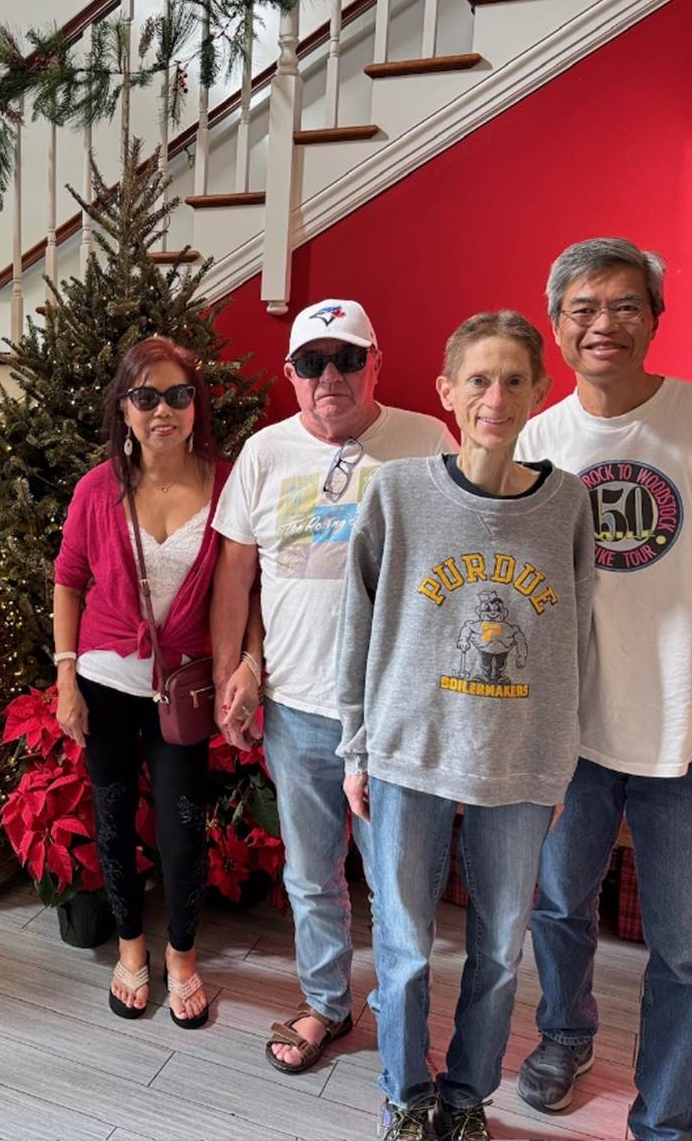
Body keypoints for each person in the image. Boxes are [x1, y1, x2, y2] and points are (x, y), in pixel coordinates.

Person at [514, 238, 692, 1141]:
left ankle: (668, 1120)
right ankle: (563, 1034)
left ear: (653, 317)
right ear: (558, 324)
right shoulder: (536, 436)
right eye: (583, 308)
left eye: (624, 304)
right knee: (555, 908)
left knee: (686, 956)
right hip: (571, 740)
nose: (603, 322)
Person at [337, 312, 596, 1141]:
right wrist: (355, 747)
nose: (495, 396)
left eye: (513, 379)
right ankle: (406, 1095)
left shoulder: (566, 505)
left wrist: (559, 762)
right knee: (405, 945)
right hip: (408, 754)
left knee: (496, 950)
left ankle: (465, 1097)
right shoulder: (398, 492)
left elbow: (574, 642)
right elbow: (360, 626)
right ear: (448, 392)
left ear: (538, 393)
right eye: (478, 379)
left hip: (516, 766)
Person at [209, 298, 455, 1073]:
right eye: (312, 362)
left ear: (374, 363)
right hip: (296, 710)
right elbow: (236, 576)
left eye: (347, 358)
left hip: (393, 715)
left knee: (395, 882)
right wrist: (232, 671)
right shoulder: (264, 453)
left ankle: (399, 1015)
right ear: (290, 375)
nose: (330, 376)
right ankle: (325, 1003)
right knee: (310, 875)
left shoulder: (424, 442)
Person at [53, 337, 234, 1028]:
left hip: (182, 689)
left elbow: (240, 589)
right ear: (124, 408)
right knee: (112, 820)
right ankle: (131, 950)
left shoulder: (225, 483)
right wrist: (65, 676)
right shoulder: (97, 488)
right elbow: (68, 579)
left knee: (184, 829)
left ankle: (181, 957)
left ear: (195, 405)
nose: (163, 409)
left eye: (178, 395)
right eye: (146, 396)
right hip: (102, 680)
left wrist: (238, 667)